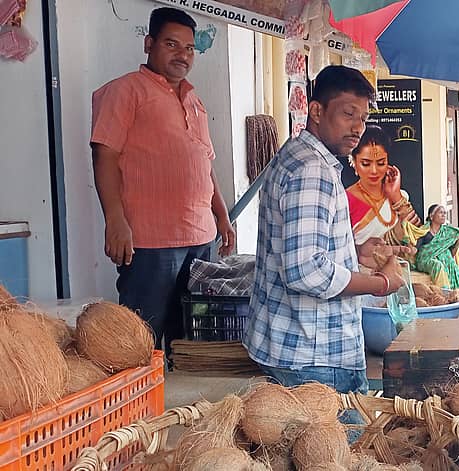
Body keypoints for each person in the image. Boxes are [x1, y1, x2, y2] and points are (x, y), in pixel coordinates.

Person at [245, 65, 407, 397]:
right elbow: (306, 271)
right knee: (343, 433)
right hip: (315, 357)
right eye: (348, 114)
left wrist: (353, 251)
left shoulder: (296, 154)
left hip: (294, 347)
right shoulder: (311, 170)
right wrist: (381, 284)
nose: (358, 128)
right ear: (317, 111)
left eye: (363, 118)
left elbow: (302, 246)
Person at [90, 7, 235, 355]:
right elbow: (104, 155)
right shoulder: (125, 91)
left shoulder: (195, 101)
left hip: (200, 237)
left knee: (190, 343)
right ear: (149, 44)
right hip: (151, 241)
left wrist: (222, 215)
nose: (182, 55)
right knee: (141, 341)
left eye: (189, 48)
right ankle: (142, 393)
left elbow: (205, 163)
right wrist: (115, 220)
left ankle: (176, 392)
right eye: (171, 44)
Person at [345, 125, 419, 252]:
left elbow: (417, 236)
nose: (374, 171)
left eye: (381, 163)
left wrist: (396, 196)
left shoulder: (400, 196)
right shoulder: (345, 200)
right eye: (366, 164)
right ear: (353, 162)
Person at [414, 204, 459, 293]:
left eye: (444, 213)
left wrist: (458, 241)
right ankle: (445, 292)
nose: (444, 215)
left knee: (451, 264)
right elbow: (417, 250)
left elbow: (451, 254)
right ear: (431, 216)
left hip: (445, 260)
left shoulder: (447, 232)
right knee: (438, 265)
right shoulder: (423, 231)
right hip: (426, 260)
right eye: (440, 213)